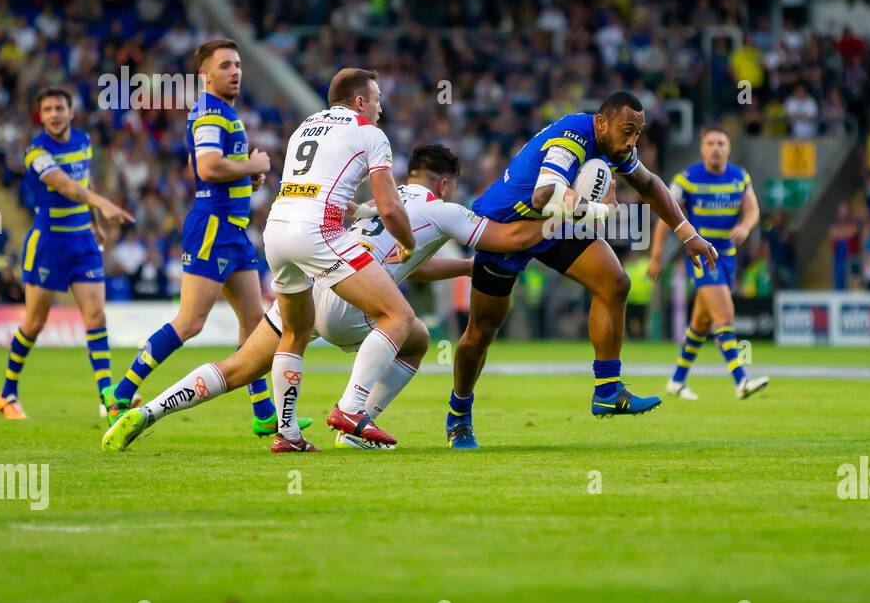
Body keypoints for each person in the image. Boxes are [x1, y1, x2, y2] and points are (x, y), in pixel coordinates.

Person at [102, 144, 549, 453]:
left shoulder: (383, 203)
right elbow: (504, 238)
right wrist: (559, 222)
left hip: (315, 278)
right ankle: (354, 415)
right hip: (352, 302)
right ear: (447, 184)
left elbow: (407, 263)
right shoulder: (444, 210)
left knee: (237, 367)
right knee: (412, 333)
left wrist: (465, 267)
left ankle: (148, 413)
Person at [446, 91, 718, 450]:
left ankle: (607, 389)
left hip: (551, 226)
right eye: (628, 130)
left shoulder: (615, 147)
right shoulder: (572, 136)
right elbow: (544, 194)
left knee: (614, 282)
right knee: (481, 331)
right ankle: (459, 416)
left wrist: (688, 234)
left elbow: (650, 185)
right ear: (602, 122)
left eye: (639, 132)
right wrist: (596, 210)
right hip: (505, 228)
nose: (633, 140)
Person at [106, 39, 280, 434]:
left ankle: (264, 414)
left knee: (254, 323)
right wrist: (251, 163)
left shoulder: (223, 113)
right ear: (205, 75)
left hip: (233, 230)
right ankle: (121, 394)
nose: (234, 71)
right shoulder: (209, 113)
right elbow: (206, 167)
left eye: (237, 64)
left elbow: (201, 166)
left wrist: (246, 176)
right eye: (225, 66)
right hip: (213, 228)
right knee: (190, 322)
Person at [260, 68, 417, 453]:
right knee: (399, 317)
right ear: (360, 101)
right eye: (376, 99)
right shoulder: (370, 133)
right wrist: (407, 243)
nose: (380, 108)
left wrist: (348, 206)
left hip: (276, 231)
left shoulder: (305, 125)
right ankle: (351, 408)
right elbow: (391, 207)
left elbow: (310, 184)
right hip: (319, 232)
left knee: (295, 333)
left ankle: (288, 435)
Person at [0, 88, 134, 420]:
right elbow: (66, 186)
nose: (54, 114)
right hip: (49, 246)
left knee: (96, 317)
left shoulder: (84, 141)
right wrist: (103, 204)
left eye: (59, 108)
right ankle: (7, 393)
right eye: (47, 110)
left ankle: (106, 397)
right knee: (34, 323)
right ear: (40, 116)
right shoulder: (36, 152)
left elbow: (83, 182)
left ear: (71, 112)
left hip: (82, 242)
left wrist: (94, 220)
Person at [647, 127, 769, 400]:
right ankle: (741, 381)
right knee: (724, 316)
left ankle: (677, 381)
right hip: (703, 257)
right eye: (711, 143)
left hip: (728, 258)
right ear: (702, 149)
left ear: (728, 147)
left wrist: (746, 227)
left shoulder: (740, 177)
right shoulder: (687, 179)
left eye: (721, 143)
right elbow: (665, 214)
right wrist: (656, 256)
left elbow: (753, 210)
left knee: (701, 323)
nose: (716, 148)